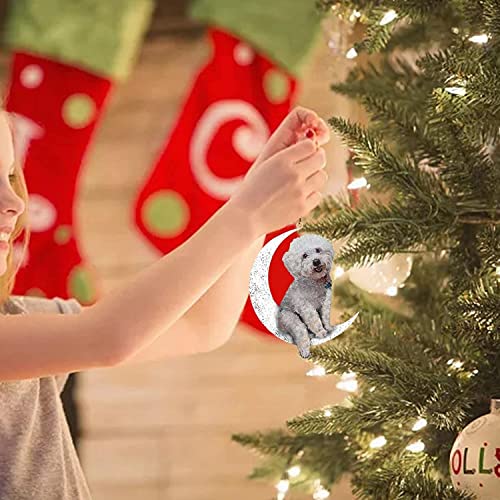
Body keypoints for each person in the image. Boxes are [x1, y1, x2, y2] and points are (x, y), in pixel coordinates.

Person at [0, 104, 330, 498]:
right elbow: (109, 337)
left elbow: (205, 325)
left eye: (9, 177)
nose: (16, 203)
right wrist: (249, 213)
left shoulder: (21, 318)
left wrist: (253, 195)